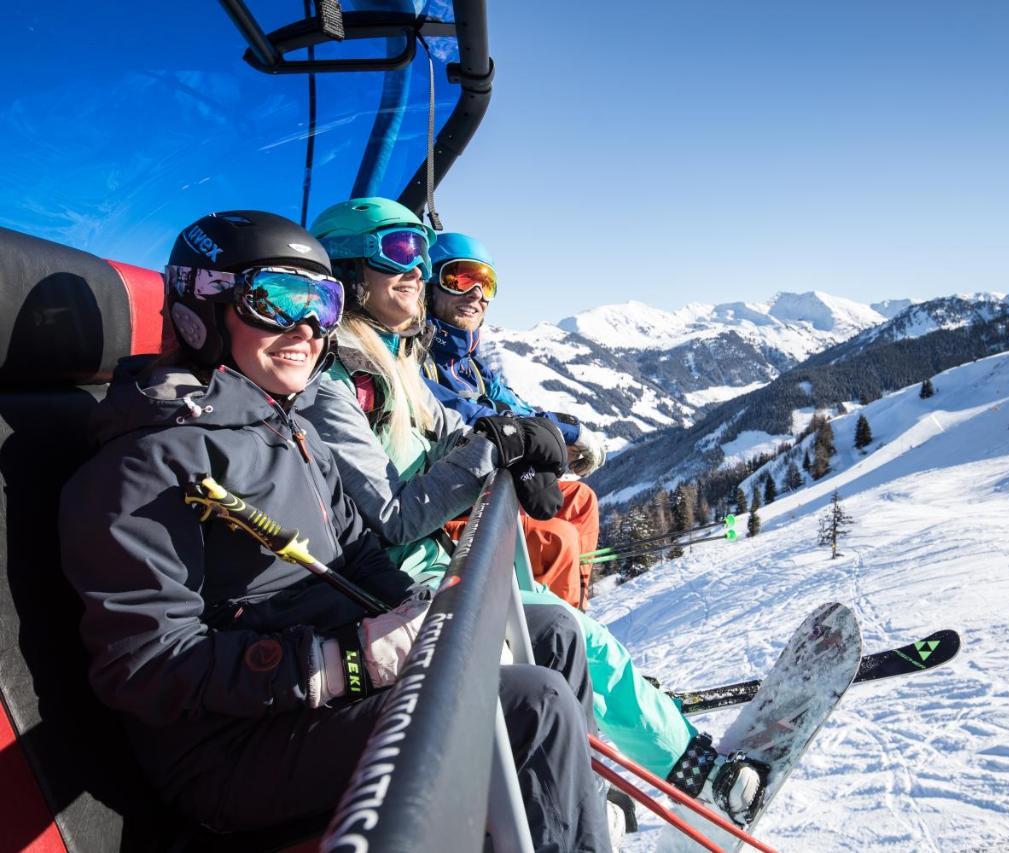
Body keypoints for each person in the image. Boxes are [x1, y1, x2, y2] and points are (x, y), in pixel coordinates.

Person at [58, 210, 609, 850]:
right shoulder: (142, 463)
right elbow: (144, 665)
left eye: (323, 304)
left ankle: (570, 811)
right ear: (198, 305)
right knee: (527, 705)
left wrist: (421, 612)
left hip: (320, 680)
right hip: (233, 751)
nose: (306, 327)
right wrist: (345, 661)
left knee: (553, 632)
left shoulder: (288, 427)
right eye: (276, 300)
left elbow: (357, 552)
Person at [305, 198, 769, 827]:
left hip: (443, 569)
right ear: (350, 270)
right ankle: (680, 775)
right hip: (407, 591)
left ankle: (600, 771)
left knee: (569, 631)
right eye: (401, 251)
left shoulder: (393, 361)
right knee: (570, 638)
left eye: (422, 249)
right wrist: (495, 447)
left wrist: (514, 437)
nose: (416, 268)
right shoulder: (340, 381)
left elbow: (454, 429)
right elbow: (390, 518)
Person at [422, 231, 608, 609]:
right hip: (450, 497)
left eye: (486, 283)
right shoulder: (418, 360)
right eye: (459, 278)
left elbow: (515, 408)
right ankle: (551, 636)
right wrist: (558, 432)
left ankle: (575, 607)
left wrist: (565, 430)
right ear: (428, 286)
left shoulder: (468, 365)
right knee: (557, 540)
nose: (476, 294)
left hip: (489, 481)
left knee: (581, 501)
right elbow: (473, 416)